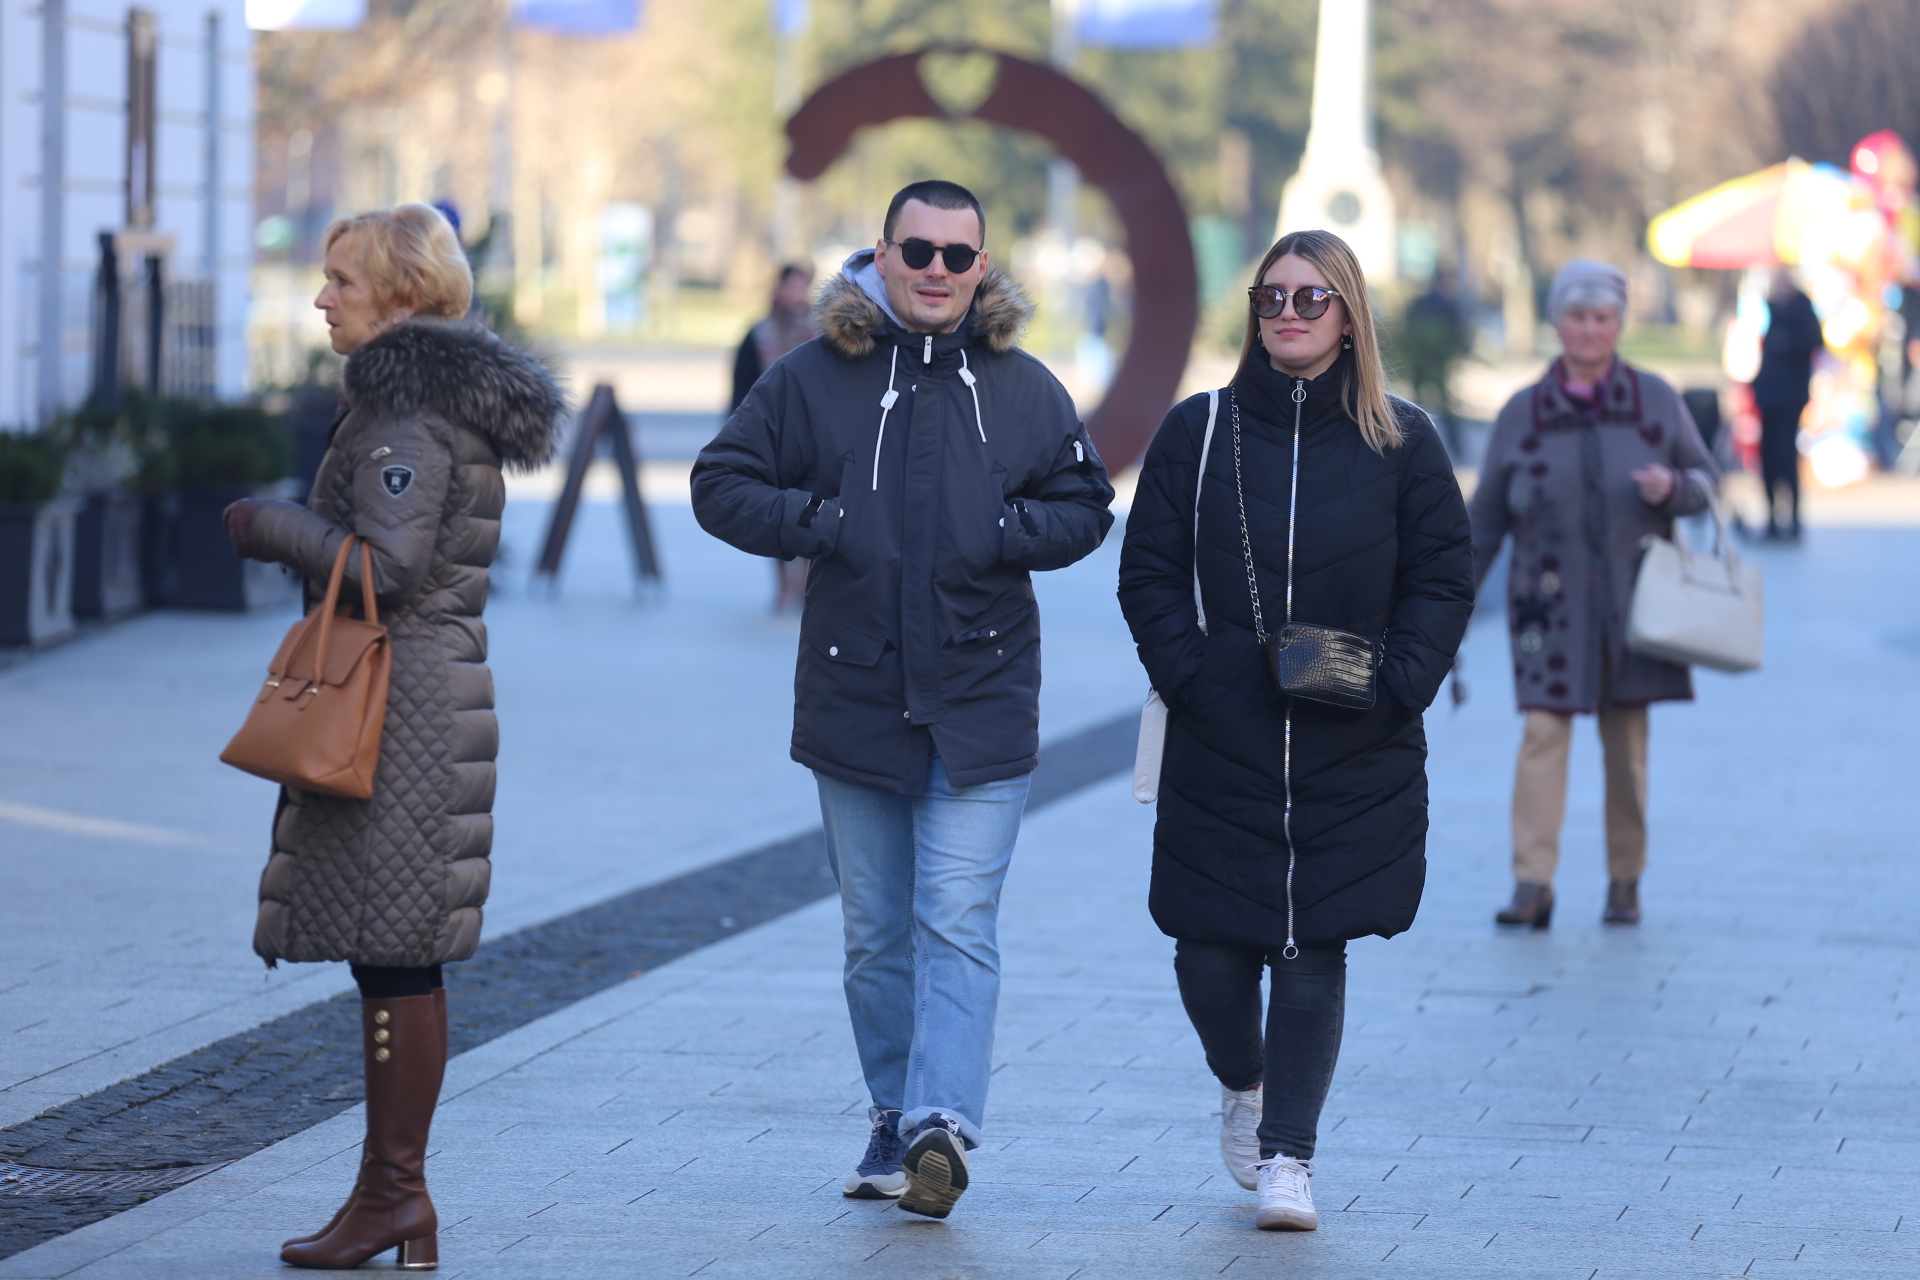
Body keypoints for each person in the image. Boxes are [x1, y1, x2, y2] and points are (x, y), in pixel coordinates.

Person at [692, 180, 1113, 1219]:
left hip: (983, 690)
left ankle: (938, 1124)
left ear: (982, 266)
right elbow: (718, 483)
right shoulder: (811, 377)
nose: (935, 270)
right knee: (876, 932)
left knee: (958, 919)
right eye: (915, 250)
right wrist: (824, 520)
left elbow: (1085, 503)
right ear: (880, 255)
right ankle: (893, 1112)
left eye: (956, 255)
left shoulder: (1019, 384)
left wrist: (1003, 534)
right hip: (856, 693)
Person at [222, 204, 563, 1269]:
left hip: (400, 705)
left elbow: (388, 570)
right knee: (398, 960)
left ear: (404, 297)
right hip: (418, 700)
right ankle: (392, 1197)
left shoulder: (405, 415)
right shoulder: (417, 399)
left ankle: (394, 1196)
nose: (321, 297)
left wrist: (269, 522)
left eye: (342, 280)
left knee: (395, 960)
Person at [1117, 229, 1474, 1232]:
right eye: (1272, 297)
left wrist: (1397, 682)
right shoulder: (1203, 429)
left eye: (1311, 298)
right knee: (1208, 952)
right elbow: (1145, 570)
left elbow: (1445, 575)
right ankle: (1244, 1080)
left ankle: (1289, 1156)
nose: (1287, 313)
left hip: (1352, 731)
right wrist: (1191, 673)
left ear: (1349, 312)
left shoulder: (1402, 439)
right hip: (1221, 731)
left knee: (1313, 943)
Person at [1471, 260, 1716, 931]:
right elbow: (1486, 515)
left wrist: (1676, 487)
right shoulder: (1524, 411)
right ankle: (1532, 883)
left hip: (1638, 609)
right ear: (1558, 322)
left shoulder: (1656, 400)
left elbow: (1707, 480)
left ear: (1619, 323)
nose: (1588, 329)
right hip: (1547, 610)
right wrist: (1449, 602)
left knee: (1626, 748)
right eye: (1576, 316)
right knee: (1543, 736)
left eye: (1601, 317)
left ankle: (1625, 879)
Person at [731, 264, 819, 611]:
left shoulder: (820, 332)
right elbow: (741, 390)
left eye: (803, 287)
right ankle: (784, 585)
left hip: (815, 437)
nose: (797, 295)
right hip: (772, 438)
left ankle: (806, 583)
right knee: (776, 511)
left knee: (815, 510)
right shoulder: (758, 335)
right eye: (792, 287)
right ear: (779, 289)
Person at [1748, 269, 1822, 539]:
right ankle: (1770, 516)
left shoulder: (1802, 311)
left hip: (1790, 397)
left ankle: (1792, 517)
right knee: (1768, 457)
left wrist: (1787, 343)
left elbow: (1813, 343)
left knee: (1786, 456)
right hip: (1768, 396)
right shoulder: (1771, 311)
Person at [1399, 268, 1471, 454]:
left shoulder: (1418, 303)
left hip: (1419, 359)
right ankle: (1456, 446)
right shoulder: (1447, 305)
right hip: (1436, 362)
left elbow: (1406, 331)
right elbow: (1459, 333)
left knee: (1414, 406)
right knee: (1442, 406)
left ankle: (1410, 446)